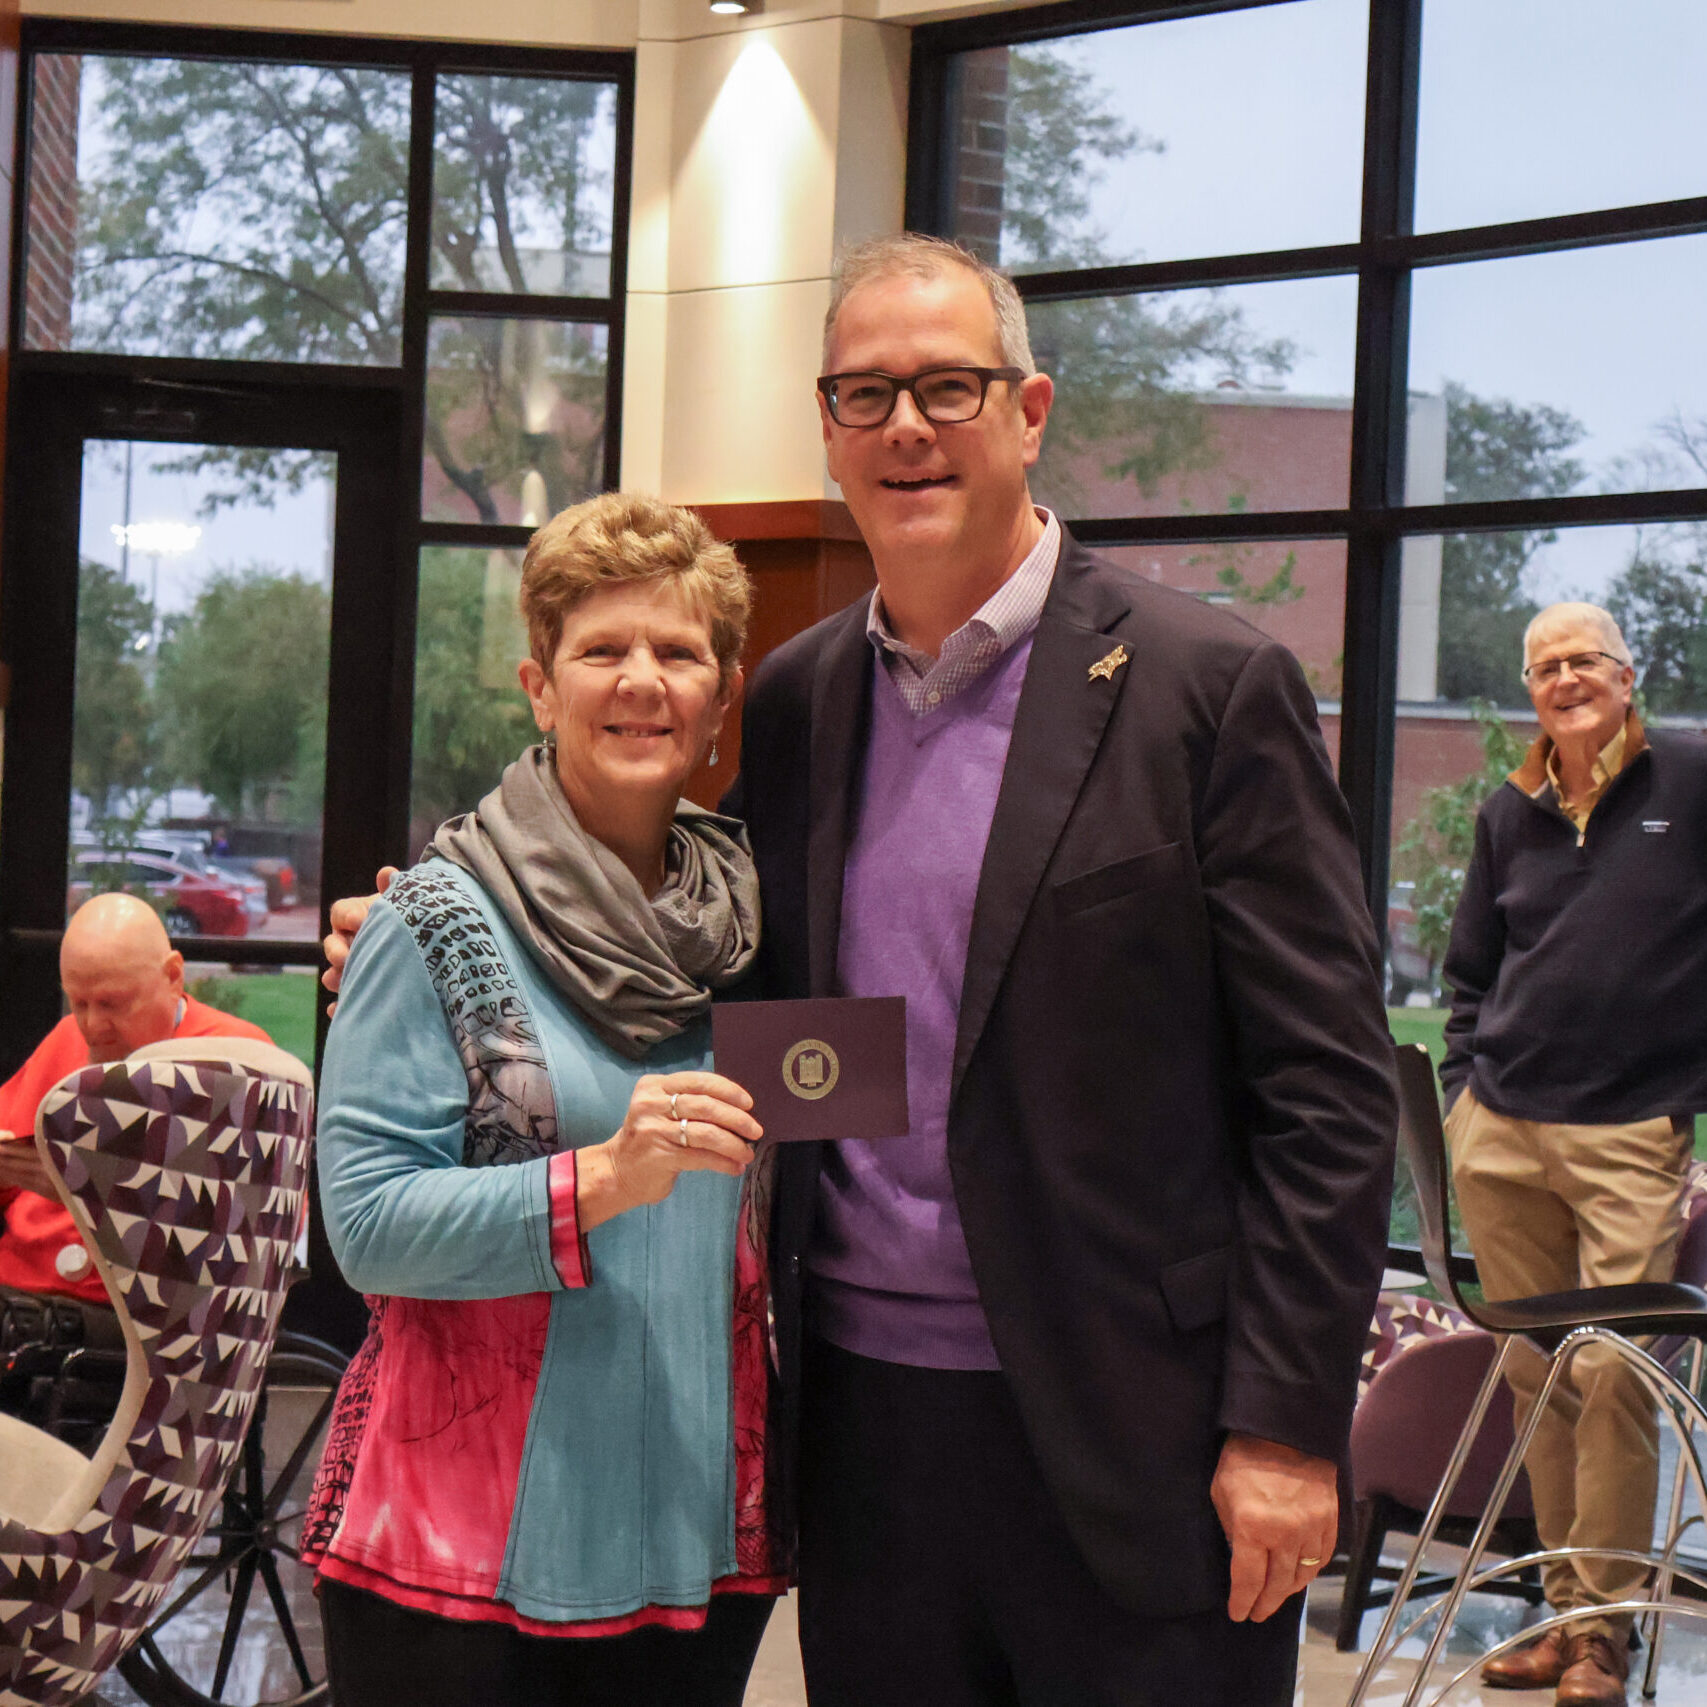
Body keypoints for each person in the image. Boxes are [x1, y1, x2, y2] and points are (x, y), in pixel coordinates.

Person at [325, 236, 1396, 1707]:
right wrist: (434, 929)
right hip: (859, 1430)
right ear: (826, 431)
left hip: (1135, 1428)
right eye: (864, 394)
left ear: (1028, 411)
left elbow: (1327, 1094)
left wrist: (1282, 1424)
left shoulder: (1205, 686)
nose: (905, 427)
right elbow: (702, 959)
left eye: (947, 387)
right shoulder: (801, 695)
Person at [301, 492, 784, 1707]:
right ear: (539, 686)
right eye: (602, 649)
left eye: (679, 653)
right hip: (461, 1560)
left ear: (722, 696)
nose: (642, 681)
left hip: (694, 1542)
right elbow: (365, 1226)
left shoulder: (756, 930)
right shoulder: (436, 921)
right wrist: (603, 1178)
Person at [1440, 602, 1707, 1707]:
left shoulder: (1689, 781)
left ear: (1626, 674)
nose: (1564, 678)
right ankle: (1564, 1619)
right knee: (1538, 1373)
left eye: (1584, 659)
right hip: (1501, 1130)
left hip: (1629, 1134)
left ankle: (1604, 1631)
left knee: (1613, 1374)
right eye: (1544, 666)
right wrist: (1460, 1098)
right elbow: (1469, 971)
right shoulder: (1510, 812)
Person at [0, 892, 271, 1352]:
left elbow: (248, 1238)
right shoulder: (66, 1038)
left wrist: (92, 1192)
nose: (92, 1026)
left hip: (134, 1321)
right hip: (22, 1291)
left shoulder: (236, 1062)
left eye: (112, 1004)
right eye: (78, 1002)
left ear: (173, 977)